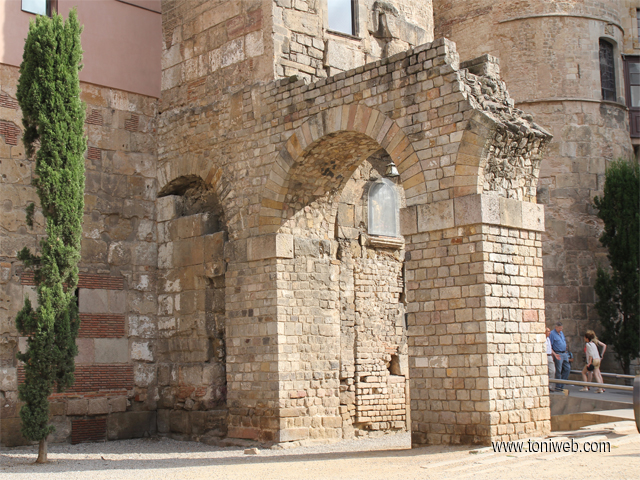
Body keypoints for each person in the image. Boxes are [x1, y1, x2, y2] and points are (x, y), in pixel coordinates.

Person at [549, 322, 570, 391]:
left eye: (561, 328)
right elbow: (550, 345)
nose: (561, 329)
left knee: (567, 368)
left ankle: (562, 384)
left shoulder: (561, 333)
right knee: (559, 369)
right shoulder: (552, 334)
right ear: (556, 327)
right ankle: (558, 385)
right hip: (558, 353)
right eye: (559, 328)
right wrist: (553, 355)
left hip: (564, 353)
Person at [545, 327, 558, 392]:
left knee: (552, 371)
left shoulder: (548, 339)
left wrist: (554, 354)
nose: (549, 333)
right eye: (548, 331)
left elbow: (550, 348)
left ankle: (551, 386)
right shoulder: (543, 340)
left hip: (549, 356)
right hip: (545, 356)